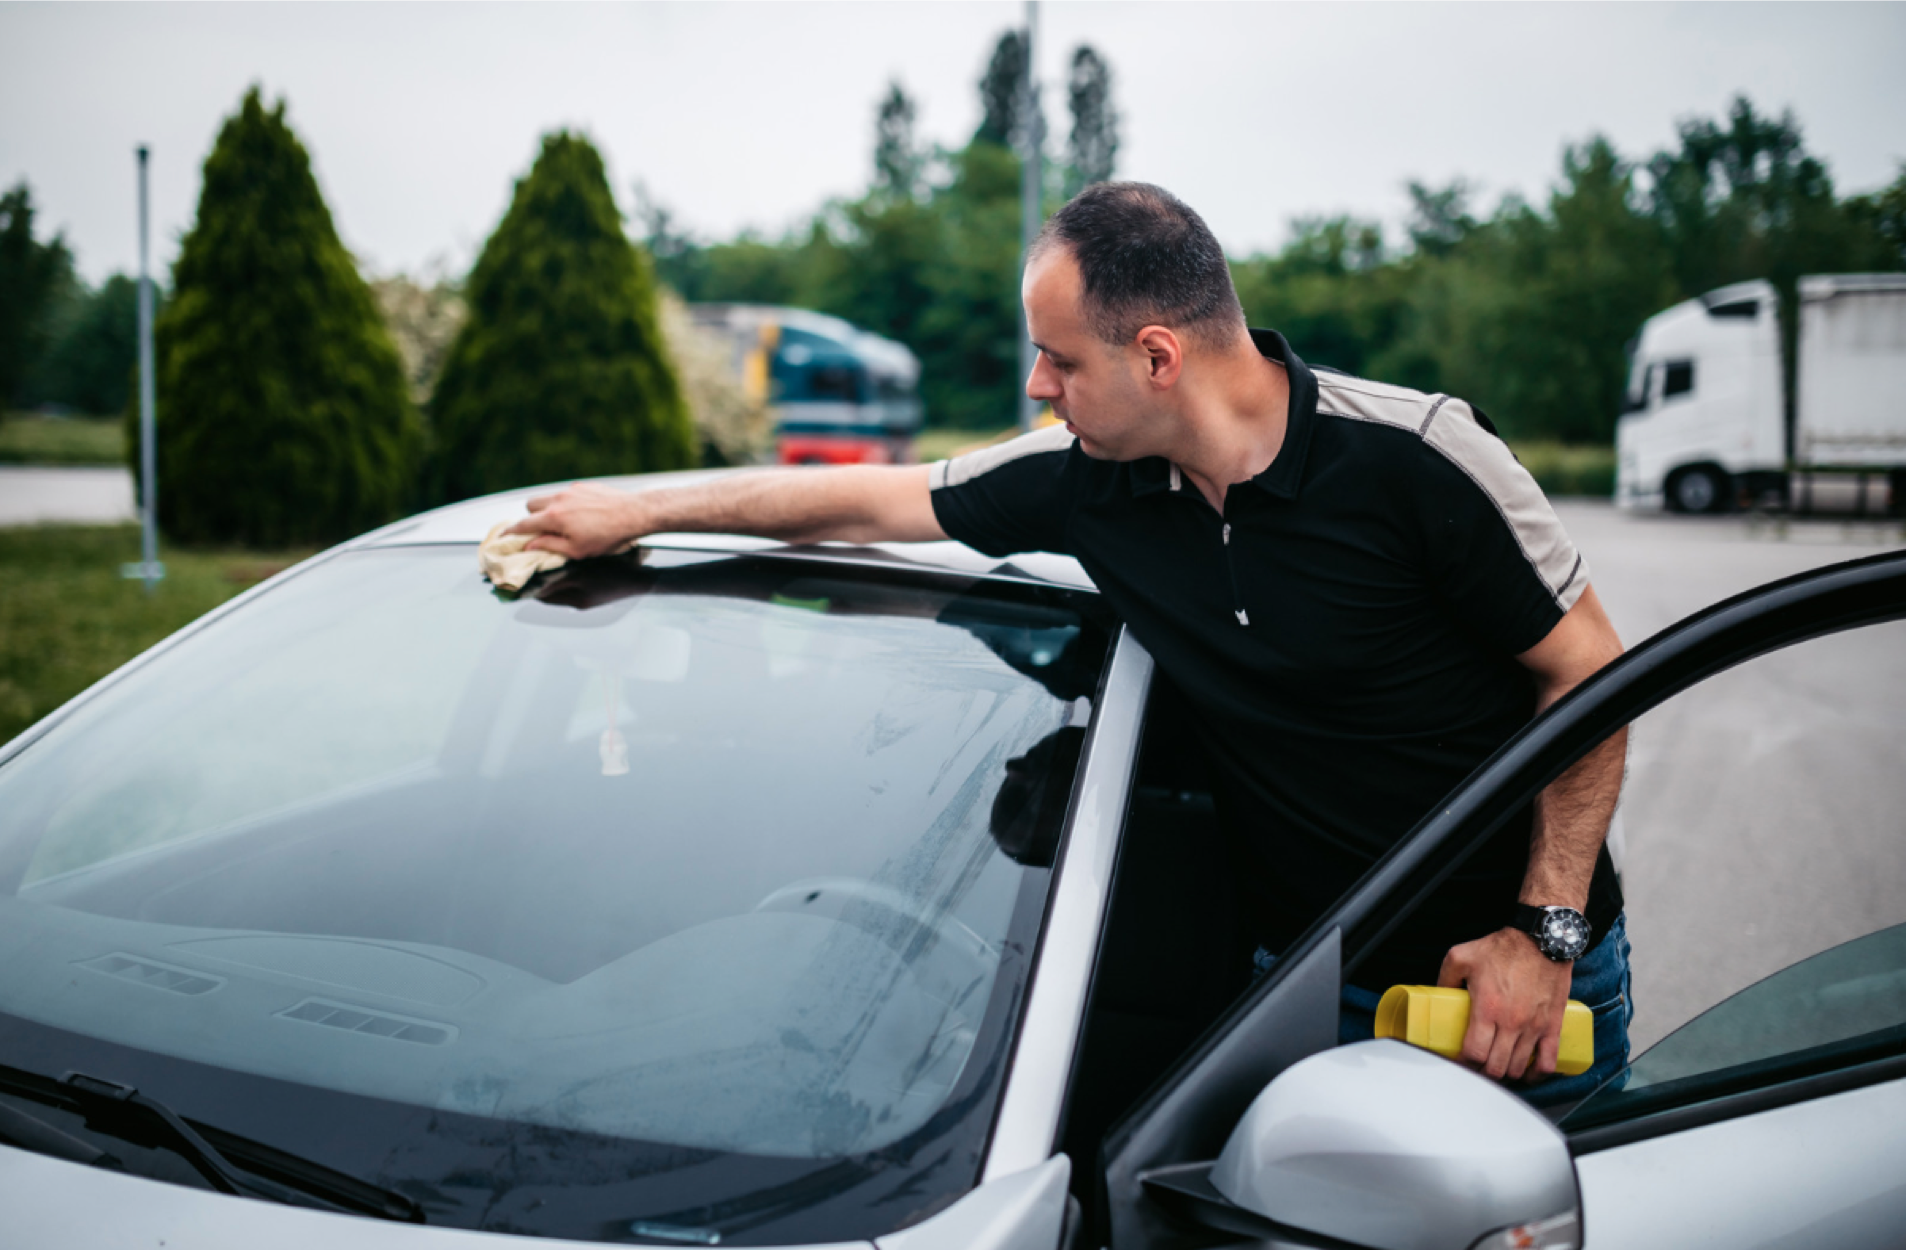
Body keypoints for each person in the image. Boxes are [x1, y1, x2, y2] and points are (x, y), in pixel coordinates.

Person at [508, 182, 1631, 1103]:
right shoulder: (1088, 483)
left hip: (1509, 997)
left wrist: (1544, 934)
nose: (1038, 387)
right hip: (1289, 991)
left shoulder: (1420, 457)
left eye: (1058, 360)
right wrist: (641, 511)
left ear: (1156, 357)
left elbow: (1585, 671)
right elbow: (862, 504)